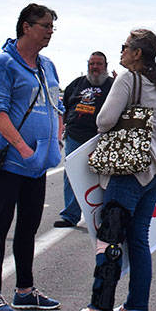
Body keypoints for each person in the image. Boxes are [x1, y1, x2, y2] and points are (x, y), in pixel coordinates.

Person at [63, 28, 156, 311]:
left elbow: (104, 121)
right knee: (137, 238)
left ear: (136, 53)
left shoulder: (127, 79)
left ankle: (99, 307)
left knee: (110, 236)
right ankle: (136, 305)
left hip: (127, 169)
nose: (121, 51)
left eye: (124, 47)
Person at [0, 4, 63, 311]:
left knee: (29, 225)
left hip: (38, 161)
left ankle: (25, 290)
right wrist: (22, 149)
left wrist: (56, 139)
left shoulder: (48, 65)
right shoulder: (4, 64)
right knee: (1, 224)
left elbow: (58, 103)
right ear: (26, 27)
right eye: (45, 26)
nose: (50, 31)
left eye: (52, 26)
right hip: (13, 161)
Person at [55, 51, 113, 228]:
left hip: (100, 138)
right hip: (75, 137)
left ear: (105, 66)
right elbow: (62, 108)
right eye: (92, 64)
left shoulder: (113, 85)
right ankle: (70, 215)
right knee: (71, 175)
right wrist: (61, 131)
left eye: (99, 64)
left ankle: (103, 217)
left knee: (103, 178)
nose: (95, 67)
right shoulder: (76, 84)